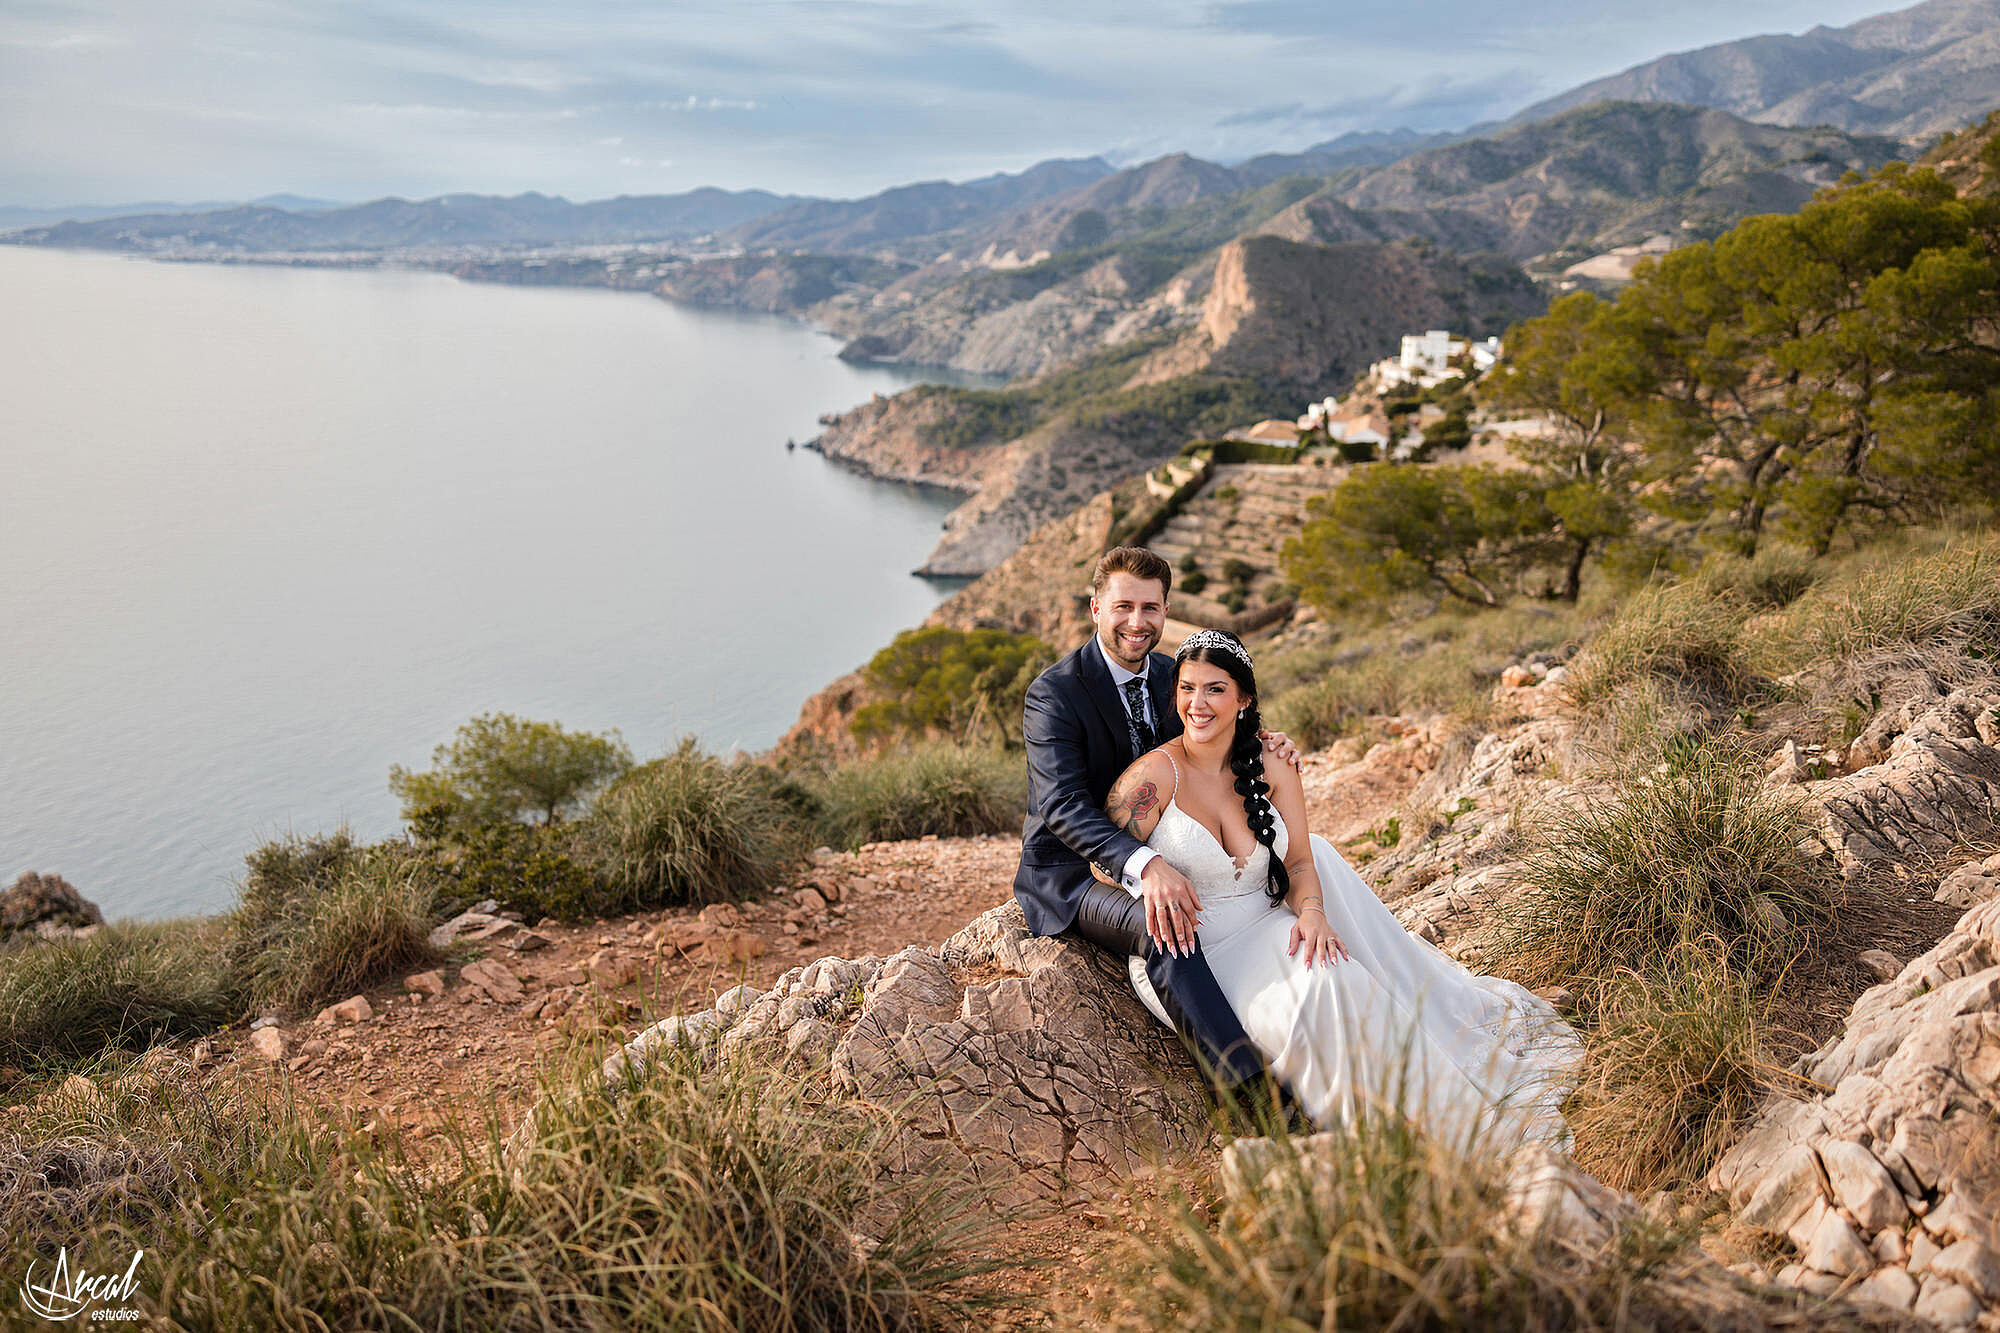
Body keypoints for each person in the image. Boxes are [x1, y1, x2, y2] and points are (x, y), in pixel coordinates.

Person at [1100, 627, 1583, 1148]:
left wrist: (1311, 913)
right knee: (1312, 1006)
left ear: (1243, 699)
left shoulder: (1272, 762)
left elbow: (1299, 860)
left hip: (1267, 924)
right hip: (1201, 957)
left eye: (1215, 689)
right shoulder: (1154, 777)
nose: (1197, 704)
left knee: (1337, 977)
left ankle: (1447, 1119)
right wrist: (1150, 870)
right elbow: (1103, 869)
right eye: (1187, 688)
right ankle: (1387, 1138)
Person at [1012, 547, 1301, 1086]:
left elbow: (1212, 731)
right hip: (1072, 875)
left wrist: (1264, 741)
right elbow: (1061, 804)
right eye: (1123, 607)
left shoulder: (1174, 676)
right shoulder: (1054, 694)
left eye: (1150, 607)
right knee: (1164, 928)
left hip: (1175, 855)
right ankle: (1248, 1089)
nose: (1136, 622)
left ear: (1166, 610)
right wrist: (1145, 865)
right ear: (1096, 609)